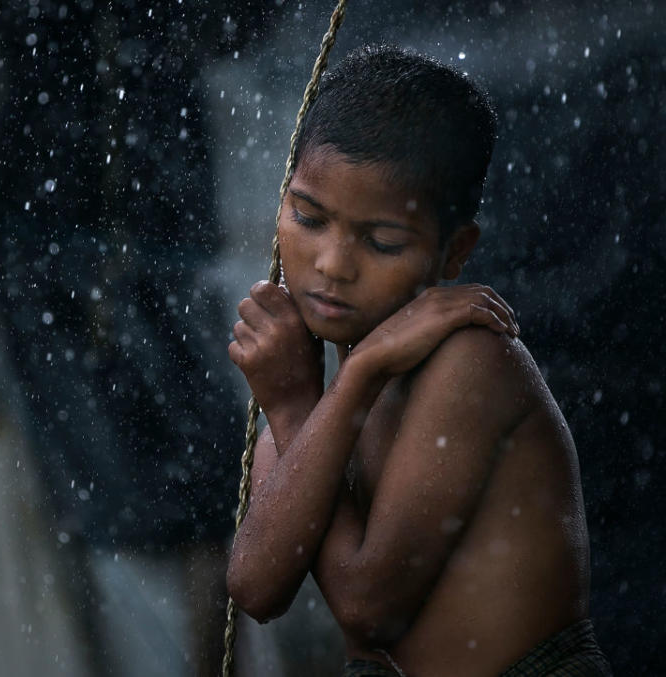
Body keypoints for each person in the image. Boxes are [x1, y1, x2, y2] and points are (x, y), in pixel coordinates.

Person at [226, 45, 612, 676]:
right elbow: (253, 589)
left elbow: (369, 607)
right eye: (307, 217)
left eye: (381, 241)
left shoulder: (471, 362)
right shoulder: (318, 402)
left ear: (454, 252)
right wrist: (311, 400)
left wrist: (327, 392)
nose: (332, 264)